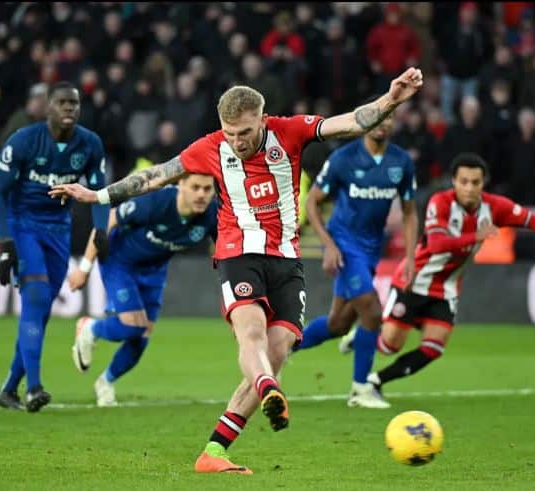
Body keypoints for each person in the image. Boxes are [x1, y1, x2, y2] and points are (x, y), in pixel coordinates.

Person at [49, 67, 424, 474]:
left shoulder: (289, 131)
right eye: (230, 133)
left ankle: (215, 451)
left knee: (277, 350)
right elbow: (155, 175)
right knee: (251, 333)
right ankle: (267, 386)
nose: (237, 141)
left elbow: (351, 122)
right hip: (238, 254)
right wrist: (98, 195)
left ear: (262, 119)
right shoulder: (210, 147)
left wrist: (391, 99)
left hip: (287, 260)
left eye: (244, 132)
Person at [364, 153, 535, 391]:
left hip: (446, 289)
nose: (469, 188)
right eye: (464, 182)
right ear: (454, 181)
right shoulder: (440, 202)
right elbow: (437, 244)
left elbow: (529, 218)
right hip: (414, 279)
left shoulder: (494, 207)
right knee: (389, 345)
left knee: (433, 348)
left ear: (483, 183)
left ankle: (375, 382)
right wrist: (475, 236)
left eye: (475, 182)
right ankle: (361, 337)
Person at [0, 81, 109, 412]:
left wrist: (101, 229)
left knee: (40, 308)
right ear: (48, 107)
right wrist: (6, 242)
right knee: (37, 298)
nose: (69, 108)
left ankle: (9, 390)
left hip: (59, 231)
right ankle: (34, 388)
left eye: (74, 103)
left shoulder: (90, 144)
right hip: (23, 225)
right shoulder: (23, 141)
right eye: (62, 102)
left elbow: (99, 192)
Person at [291, 103, 418, 409]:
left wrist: (411, 257)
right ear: (365, 120)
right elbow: (312, 202)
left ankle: (279, 348)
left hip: (372, 249)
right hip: (344, 245)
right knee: (372, 312)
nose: (382, 122)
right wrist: (329, 245)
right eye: (377, 116)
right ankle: (361, 389)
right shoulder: (343, 159)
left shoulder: (401, 162)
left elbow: (410, 212)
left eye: (388, 117)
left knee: (338, 324)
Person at [66, 174, 218, 407]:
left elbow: (223, 246)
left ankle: (105, 382)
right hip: (119, 261)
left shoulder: (212, 214)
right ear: (181, 185)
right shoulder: (157, 202)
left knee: (142, 336)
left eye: (207, 189)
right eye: (195, 187)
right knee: (133, 325)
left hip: (155, 270)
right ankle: (90, 328)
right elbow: (109, 219)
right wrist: (85, 267)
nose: (201, 195)